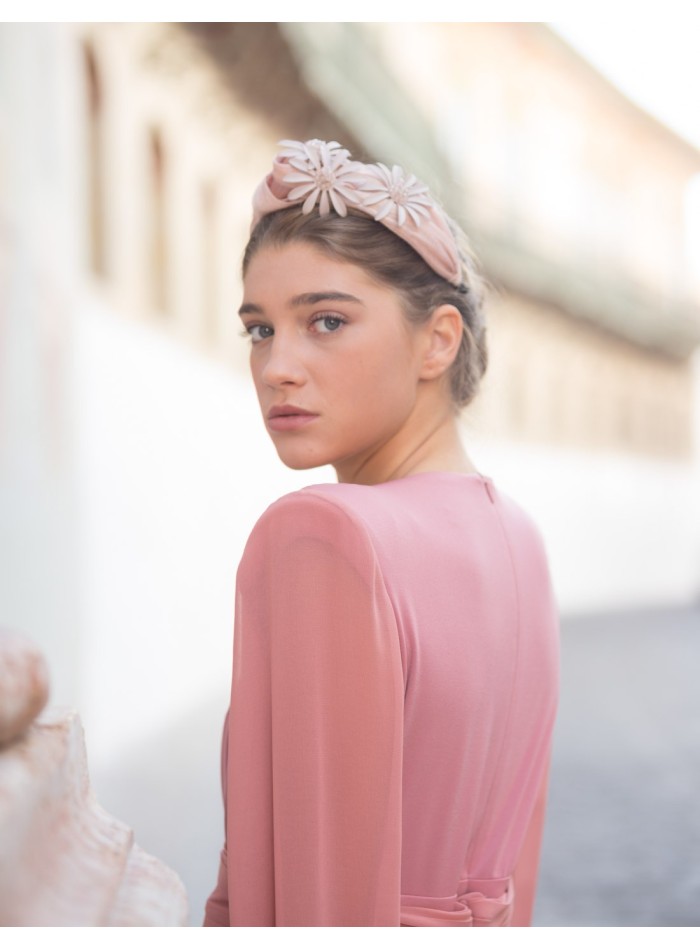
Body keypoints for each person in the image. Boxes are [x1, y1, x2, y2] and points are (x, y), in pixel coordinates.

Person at [203, 139, 559, 927]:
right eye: (259, 330)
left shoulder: (322, 535)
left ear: (438, 340)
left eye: (326, 321)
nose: (277, 366)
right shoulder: (520, 540)